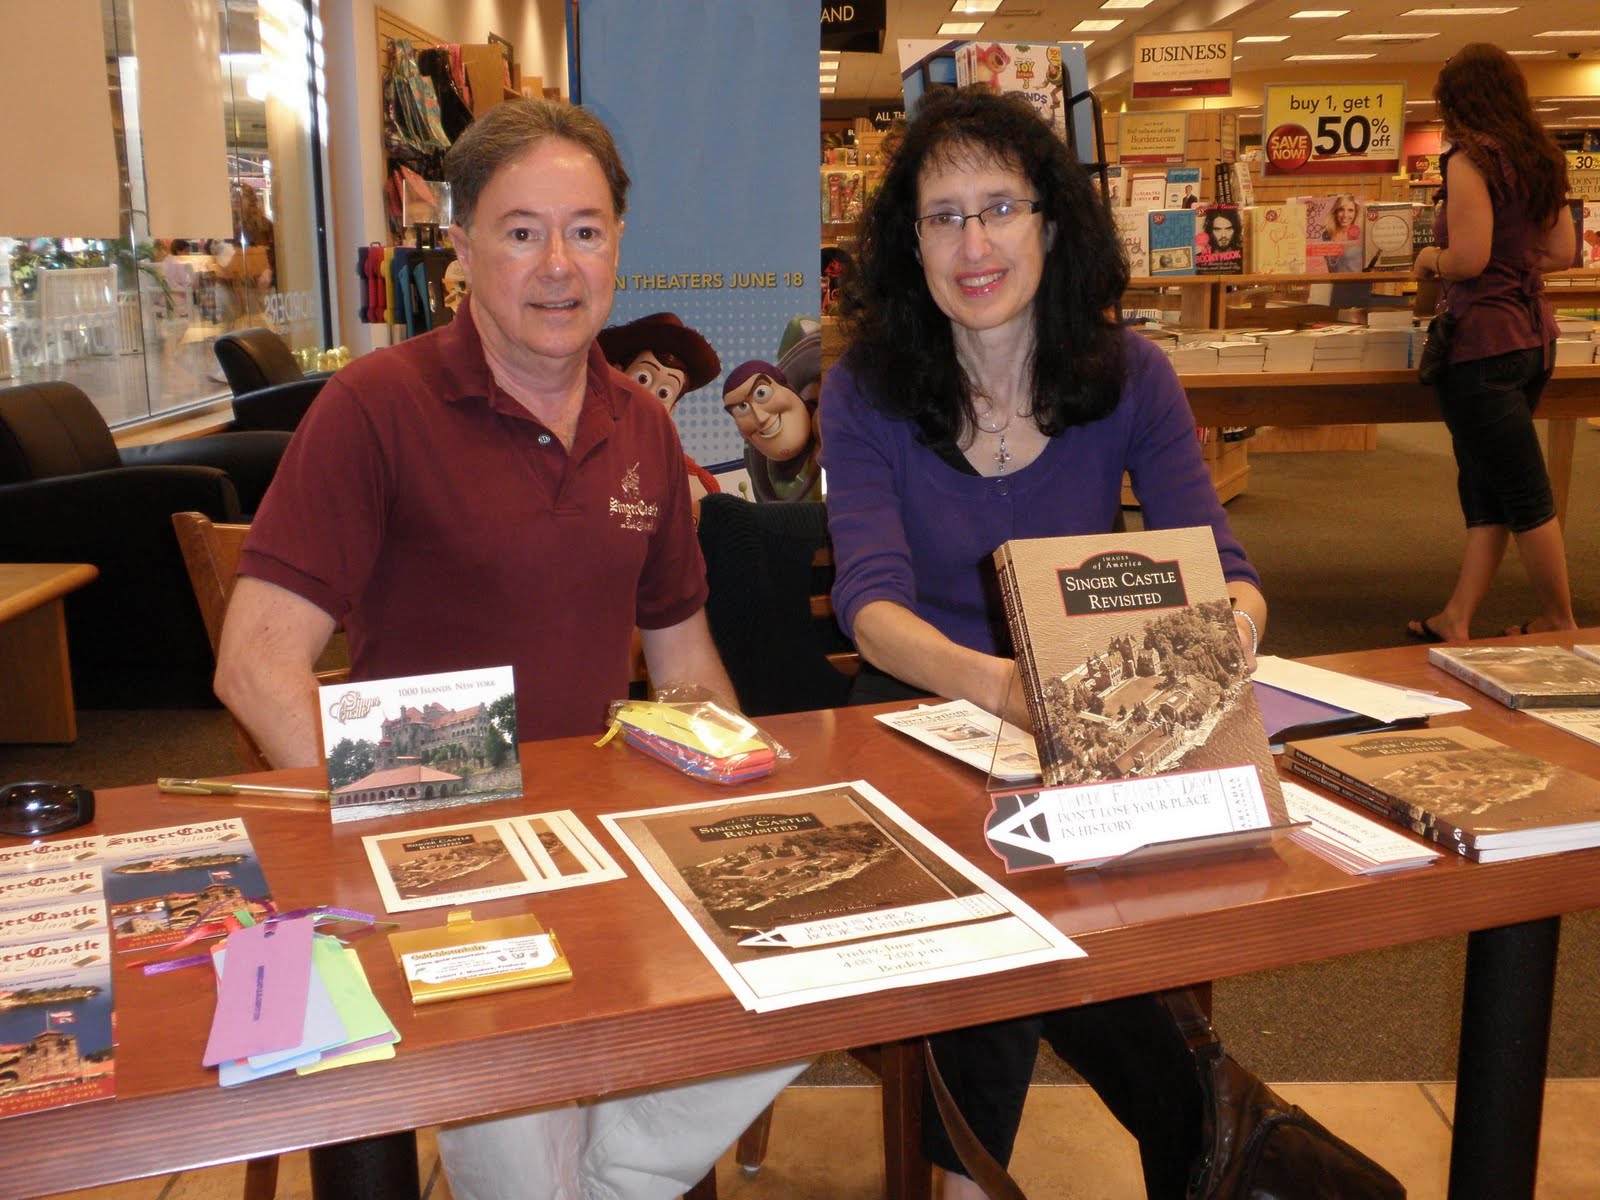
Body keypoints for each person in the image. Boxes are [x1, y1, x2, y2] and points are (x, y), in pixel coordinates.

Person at [214, 96, 803, 1200]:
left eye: (584, 230)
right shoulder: (374, 407)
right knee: (537, 1154)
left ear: (619, 242)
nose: (557, 266)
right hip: (434, 861)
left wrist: (742, 818)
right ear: (461, 241)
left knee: (828, 962)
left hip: (603, 856)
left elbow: (685, 669)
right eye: (521, 230)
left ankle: (608, 1172)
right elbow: (253, 665)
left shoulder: (642, 425)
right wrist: (402, 841)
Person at [819, 86, 1266, 1199]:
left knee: (1069, 877)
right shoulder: (865, 389)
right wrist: (1012, 693)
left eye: (999, 208)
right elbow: (868, 606)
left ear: (1050, 224)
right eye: (942, 216)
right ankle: (1207, 1132)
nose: (974, 244)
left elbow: (1231, 580)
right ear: (906, 241)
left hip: (1101, 725)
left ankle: (1159, 1141)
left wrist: (1214, 657)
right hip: (924, 717)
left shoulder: (1130, 377)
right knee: (1013, 876)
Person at [1407, 43, 1578, 643]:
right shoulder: (1542, 156)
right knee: (1489, 483)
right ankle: (1457, 616)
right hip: (1534, 339)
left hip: (1481, 342)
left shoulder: (1468, 160)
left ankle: (1561, 622)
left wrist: (1429, 257)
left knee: (1524, 492)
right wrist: (1517, 267)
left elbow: (1469, 258)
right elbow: (1563, 252)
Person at [597, 310, 724, 502]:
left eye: (664, 393)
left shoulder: (693, 481)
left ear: (671, 410)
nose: (648, 396)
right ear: (615, 376)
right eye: (643, 378)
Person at [1322, 192, 1364, 273]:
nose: (1345, 215)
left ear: (1356, 213)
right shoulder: (1326, 235)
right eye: (1341, 210)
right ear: (1335, 212)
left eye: (1350, 210)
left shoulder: (1361, 235)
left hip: (1357, 282)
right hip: (1333, 283)